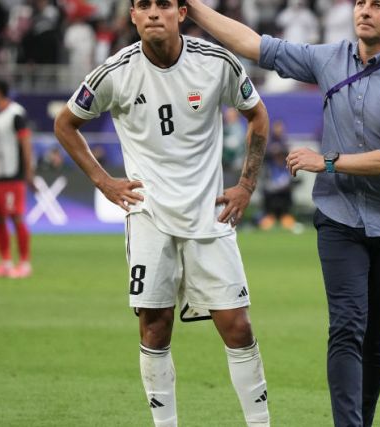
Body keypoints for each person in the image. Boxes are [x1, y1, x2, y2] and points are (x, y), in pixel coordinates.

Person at [185, 0, 380, 425]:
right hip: (339, 217)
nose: (365, 11)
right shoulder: (328, 58)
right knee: (346, 327)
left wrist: (329, 161)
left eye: (378, 5)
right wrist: (191, 7)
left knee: (375, 338)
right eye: (360, 3)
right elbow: (253, 44)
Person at [52, 0, 271, 425]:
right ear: (132, 16)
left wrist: (246, 185)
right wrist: (104, 180)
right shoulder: (114, 72)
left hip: (209, 215)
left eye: (164, 4)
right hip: (149, 216)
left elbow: (258, 116)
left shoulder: (216, 62)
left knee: (237, 327)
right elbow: (66, 123)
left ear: (181, 13)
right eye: (143, 5)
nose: (154, 12)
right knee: (154, 326)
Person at [0, 77, 34, 279]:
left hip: (13, 175)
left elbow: (25, 141)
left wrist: (29, 170)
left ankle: (24, 263)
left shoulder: (16, 113)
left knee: (16, 217)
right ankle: (5, 262)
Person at [258, 120, 296, 232]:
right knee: (269, 204)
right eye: (277, 128)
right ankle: (268, 219)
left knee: (285, 203)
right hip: (270, 180)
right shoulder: (267, 143)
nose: (279, 130)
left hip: (284, 181)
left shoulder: (285, 144)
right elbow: (262, 158)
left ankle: (286, 219)